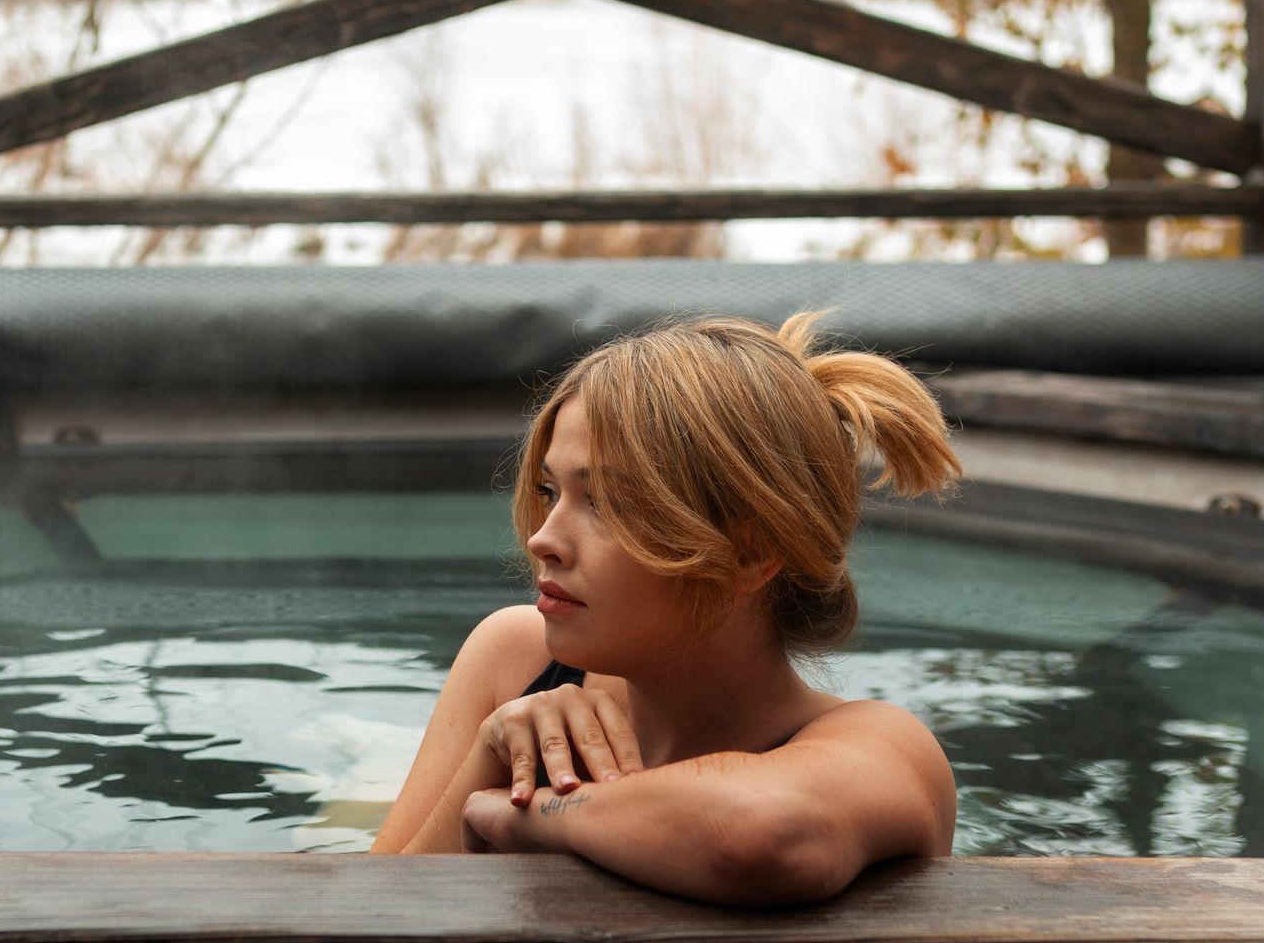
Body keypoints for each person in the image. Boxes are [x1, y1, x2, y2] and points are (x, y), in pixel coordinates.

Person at [371, 312, 962, 904]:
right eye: (551, 492)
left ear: (750, 554)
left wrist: (515, 813)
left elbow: (758, 832)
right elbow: (368, 915)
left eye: (607, 503)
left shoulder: (883, 745)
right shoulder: (513, 661)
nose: (542, 539)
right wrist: (489, 754)